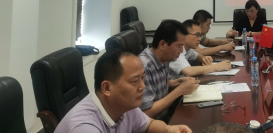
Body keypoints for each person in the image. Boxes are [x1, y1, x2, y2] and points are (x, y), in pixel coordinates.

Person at [55, 50, 192, 133]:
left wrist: (169, 129)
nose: (143, 86)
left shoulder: (124, 105)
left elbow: (148, 124)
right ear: (107, 88)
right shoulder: (83, 127)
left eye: (142, 78)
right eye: (135, 81)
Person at [139, 20, 200, 118]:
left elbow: (165, 83)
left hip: (167, 113)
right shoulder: (144, 66)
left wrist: (179, 82)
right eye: (179, 46)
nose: (181, 51)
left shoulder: (164, 57)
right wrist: (179, 90)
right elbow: (146, 113)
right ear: (162, 44)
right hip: (156, 122)